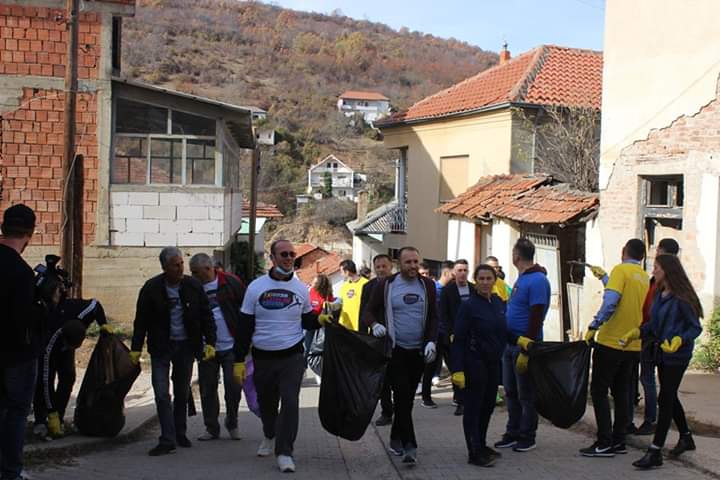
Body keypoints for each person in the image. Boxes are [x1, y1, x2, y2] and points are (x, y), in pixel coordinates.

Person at [233, 239, 329, 473]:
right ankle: (269, 434)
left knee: (290, 401)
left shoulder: (300, 289)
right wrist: (238, 360)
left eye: (291, 255)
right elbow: (244, 325)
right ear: (273, 258)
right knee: (267, 404)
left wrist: (320, 319)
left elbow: (306, 319)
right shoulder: (256, 287)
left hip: (292, 356)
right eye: (284, 254)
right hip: (263, 357)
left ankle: (285, 452)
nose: (288, 258)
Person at [130, 247, 217, 456]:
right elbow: (140, 321)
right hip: (161, 348)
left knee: (181, 392)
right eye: (175, 265)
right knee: (161, 394)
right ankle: (166, 439)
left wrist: (210, 342)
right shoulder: (151, 288)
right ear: (164, 267)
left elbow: (206, 316)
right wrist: (135, 349)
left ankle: (180, 433)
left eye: (181, 264)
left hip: (186, 347)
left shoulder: (193, 286)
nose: (180, 268)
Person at [618, 254, 702, 469]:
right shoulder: (657, 293)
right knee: (669, 395)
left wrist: (679, 339)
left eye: (657, 268)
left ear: (668, 271)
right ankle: (685, 436)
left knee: (665, 398)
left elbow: (695, 327)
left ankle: (655, 451)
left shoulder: (682, 298)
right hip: (661, 352)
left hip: (678, 355)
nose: (653, 271)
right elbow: (653, 325)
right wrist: (636, 332)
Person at [364, 246, 439, 465]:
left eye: (416, 262)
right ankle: (410, 446)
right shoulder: (387, 285)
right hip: (395, 351)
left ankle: (396, 437)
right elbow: (368, 311)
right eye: (408, 262)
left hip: (418, 352)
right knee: (403, 398)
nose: (413, 266)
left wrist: (431, 341)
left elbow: (435, 316)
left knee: (406, 401)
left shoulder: (428, 286)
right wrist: (375, 324)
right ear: (400, 264)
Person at [581, 238, 649, 458]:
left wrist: (595, 324)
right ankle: (619, 440)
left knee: (599, 391)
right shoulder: (644, 278)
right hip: (633, 345)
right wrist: (605, 279)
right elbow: (629, 301)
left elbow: (612, 302)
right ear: (643, 256)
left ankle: (604, 441)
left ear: (623, 251)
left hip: (610, 342)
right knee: (622, 393)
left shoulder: (620, 271)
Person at [33, 258, 112, 439]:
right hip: (45, 345)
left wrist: (104, 327)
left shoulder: (77, 311)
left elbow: (95, 305)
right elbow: (45, 381)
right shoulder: (51, 336)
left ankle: (59, 418)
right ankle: (41, 419)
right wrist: (49, 411)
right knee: (43, 381)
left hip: (64, 338)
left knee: (68, 377)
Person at [0, 204, 44, 480]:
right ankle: (11, 471)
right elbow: (25, 321)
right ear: (29, 233)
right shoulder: (22, 272)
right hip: (16, 356)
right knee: (16, 413)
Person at [494, 238, 550, 453]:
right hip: (510, 342)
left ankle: (527, 435)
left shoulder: (537, 280)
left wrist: (528, 344)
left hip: (525, 344)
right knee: (510, 391)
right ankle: (513, 431)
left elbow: (536, 313)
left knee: (526, 393)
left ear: (516, 255)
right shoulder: (522, 278)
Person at [452, 265, 507, 467]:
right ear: (476, 281)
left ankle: (482, 444)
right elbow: (458, 338)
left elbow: (502, 330)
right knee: (474, 408)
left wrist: (519, 340)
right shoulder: (468, 306)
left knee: (488, 406)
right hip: (474, 362)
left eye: (488, 278)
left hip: (493, 364)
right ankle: (473, 452)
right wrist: (457, 369)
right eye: (481, 279)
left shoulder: (497, 302)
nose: (485, 282)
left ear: (494, 280)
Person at [189, 253, 246, 442]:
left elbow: (246, 310)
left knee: (233, 386)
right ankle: (211, 427)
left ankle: (232, 421)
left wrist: (247, 340)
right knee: (207, 388)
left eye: (197, 272)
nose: (195, 276)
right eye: (192, 273)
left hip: (231, 345)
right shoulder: (192, 287)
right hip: (206, 348)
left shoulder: (231, 283)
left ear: (208, 269)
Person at [629, 238, 680, 436]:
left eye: (658, 252)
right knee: (663, 387)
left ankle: (652, 421)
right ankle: (680, 432)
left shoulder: (669, 284)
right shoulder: (658, 280)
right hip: (651, 333)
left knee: (650, 380)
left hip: (659, 339)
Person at [424, 259, 473, 414]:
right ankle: (426, 396)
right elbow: (443, 314)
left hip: (467, 336)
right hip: (445, 335)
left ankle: (460, 399)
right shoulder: (448, 290)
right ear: (454, 273)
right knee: (432, 365)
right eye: (459, 270)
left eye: (465, 270)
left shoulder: (473, 289)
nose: (462, 273)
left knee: (458, 368)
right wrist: (451, 332)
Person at [360, 254, 395, 427]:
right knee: (383, 379)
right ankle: (387, 411)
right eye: (378, 267)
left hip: (399, 338)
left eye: (384, 266)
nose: (381, 270)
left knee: (399, 377)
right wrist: (364, 337)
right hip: (377, 339)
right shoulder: (368, 287)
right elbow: (363, 313)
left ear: (391, 267)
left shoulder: (399, 285)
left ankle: (402, 410)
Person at [337, 259, 369, 332]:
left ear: (347, 272)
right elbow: (340, 301)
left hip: (359, 325)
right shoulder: (345, 285)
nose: (341, 274)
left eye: (341, 272)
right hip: (345, 324)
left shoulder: (366, 284)